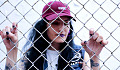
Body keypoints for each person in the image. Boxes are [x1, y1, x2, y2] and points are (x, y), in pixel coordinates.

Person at [0, 1, 108, 70]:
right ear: (44, 26)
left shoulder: (79, 54)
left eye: (66, 23)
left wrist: (95, 57)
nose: (62, 28)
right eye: (55, 23)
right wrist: (12, 51)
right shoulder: (31, 55)